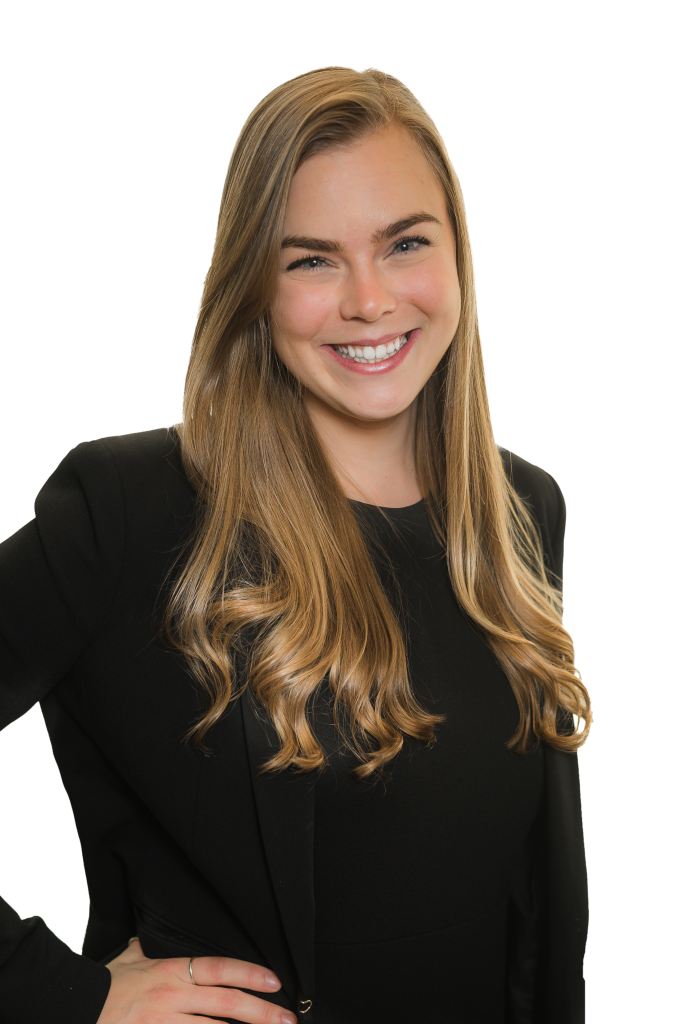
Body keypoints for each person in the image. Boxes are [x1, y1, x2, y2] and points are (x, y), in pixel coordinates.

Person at [0, 66, 591, 1023]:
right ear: (255, 287)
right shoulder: (128, 511)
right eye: (311, 260)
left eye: (404, 243)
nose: (368, 300)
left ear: (457, 255)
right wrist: (60, 994)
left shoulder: (524, 508)